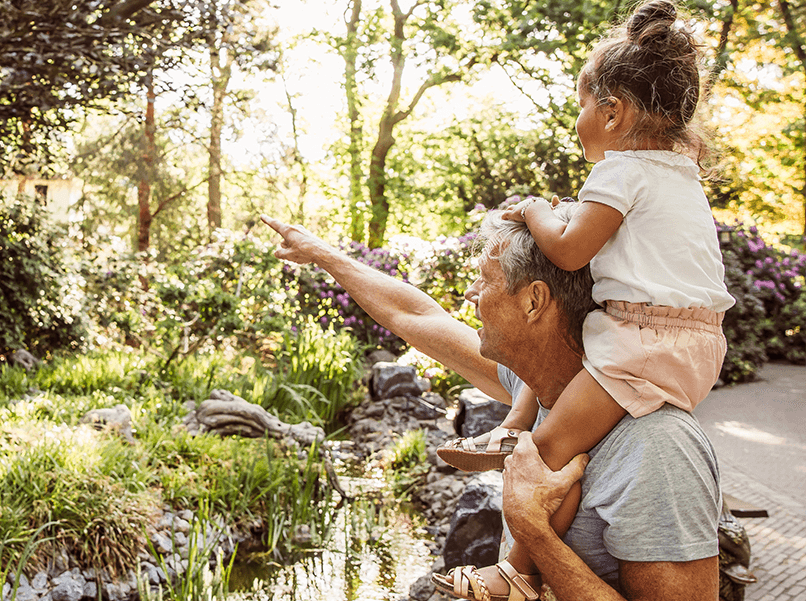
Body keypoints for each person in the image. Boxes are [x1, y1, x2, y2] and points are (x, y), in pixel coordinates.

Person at [430, 0, 734, 599]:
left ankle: (518, 572)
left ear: (614, 112)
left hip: (642, 339)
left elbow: (569, 252)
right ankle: (510, 433)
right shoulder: (679, 173)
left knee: (545, 452)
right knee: (553, 422)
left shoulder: (621, 171)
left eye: (581, 106)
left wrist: (540, 211)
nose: (579, 121)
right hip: (694, 340)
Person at [261, 207, 721, 601]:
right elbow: (415, 315)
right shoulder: (536, 386)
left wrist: (534, 532)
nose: (469, 295)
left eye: (483, 281)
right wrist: (320, 253)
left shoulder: (657, 445)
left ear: (534, 302)